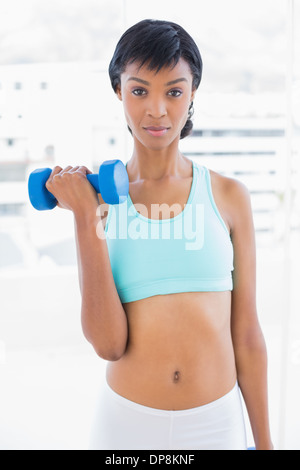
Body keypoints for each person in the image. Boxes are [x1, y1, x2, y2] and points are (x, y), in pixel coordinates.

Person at [45, 19, 273, 450]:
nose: (157, 110)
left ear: (192, 93)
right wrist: (85, 218)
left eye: (173, 91)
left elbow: (246, 335)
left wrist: (265, 444)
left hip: (216, 425)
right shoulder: (100, 204)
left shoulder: (228, 197)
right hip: (127, 427)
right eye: (139, 90)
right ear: (118, 91)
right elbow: (109, 344)